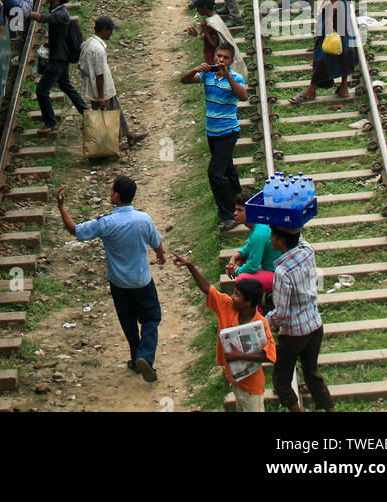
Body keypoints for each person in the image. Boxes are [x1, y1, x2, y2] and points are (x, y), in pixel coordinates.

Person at [56, 175, 165, 383]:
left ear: (116, 195)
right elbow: (157, 243)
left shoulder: (106, 222)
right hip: (142, 281)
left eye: (111, 189)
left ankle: (135, 358)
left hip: (119, 284)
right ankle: (145, 357)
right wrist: (161, 256)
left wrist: (62, 208)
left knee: (128, 322)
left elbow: (75, 230)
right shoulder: (144, 219)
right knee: (151, 319)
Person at [172, 255, 275, 412]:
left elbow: (268, 355)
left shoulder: (260, 324)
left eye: (236, 295)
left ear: (248, 302)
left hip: (251, 388)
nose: (232, 297)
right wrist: (190, 266)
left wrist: (239, 356)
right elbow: (208, 289)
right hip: (235, 380)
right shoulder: (228, 306)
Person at [180, 40, 246, 232]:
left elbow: (243, 96)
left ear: (231, 61)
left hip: (228, 132)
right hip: (212, 133)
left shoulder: (235, 77)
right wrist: (195, 69)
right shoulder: (207, 75)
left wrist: (229, 78)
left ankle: (228, 214)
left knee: (215, 173)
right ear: (214, 57)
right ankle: (240, 203)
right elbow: (184, 80)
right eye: (219, 56)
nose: (221, 60)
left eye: (225, 58)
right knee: (228, 170)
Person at [267, 226, 334, 413]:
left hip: (294, 334)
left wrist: (263, 323)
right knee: (312, 374)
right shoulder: (307, 252)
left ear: (281, 241)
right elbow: (299, 237)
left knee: (281, 380)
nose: (270, 238)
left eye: (273, 235)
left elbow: (281, 314)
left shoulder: (283, 272)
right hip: (315, 324)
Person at [28, 0, 88, 134]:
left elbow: (43, 18)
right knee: (67, 87)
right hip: (60, 57)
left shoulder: (60, 13)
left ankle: (50, 122)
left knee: (41, 91)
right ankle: (88, 115)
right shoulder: (56, 9)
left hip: (58, 60)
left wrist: (24, 12)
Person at [78, 15, 145, 150]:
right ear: (105, 30)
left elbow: (81, 67)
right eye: (110, 30)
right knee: (108, 117)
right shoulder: (99, 49)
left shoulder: (87, 43)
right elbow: (99, 75)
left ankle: (129, 136)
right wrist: (102, 96)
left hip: (94, 89)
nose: (111, 33)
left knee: (115, 111)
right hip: (102, 90)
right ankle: (107, 145)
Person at [225, 195, 283, 294]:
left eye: (240, 210)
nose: (235, 213)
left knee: (242, 280)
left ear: (251, 212)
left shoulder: (258, 233)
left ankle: (257, 308)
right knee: (242, 260)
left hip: (278, 275)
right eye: (236, 210)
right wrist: (233, 259)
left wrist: (236, 271)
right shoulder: (258, 225)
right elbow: (248, 247)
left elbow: (253, 266)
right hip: (273, 268)